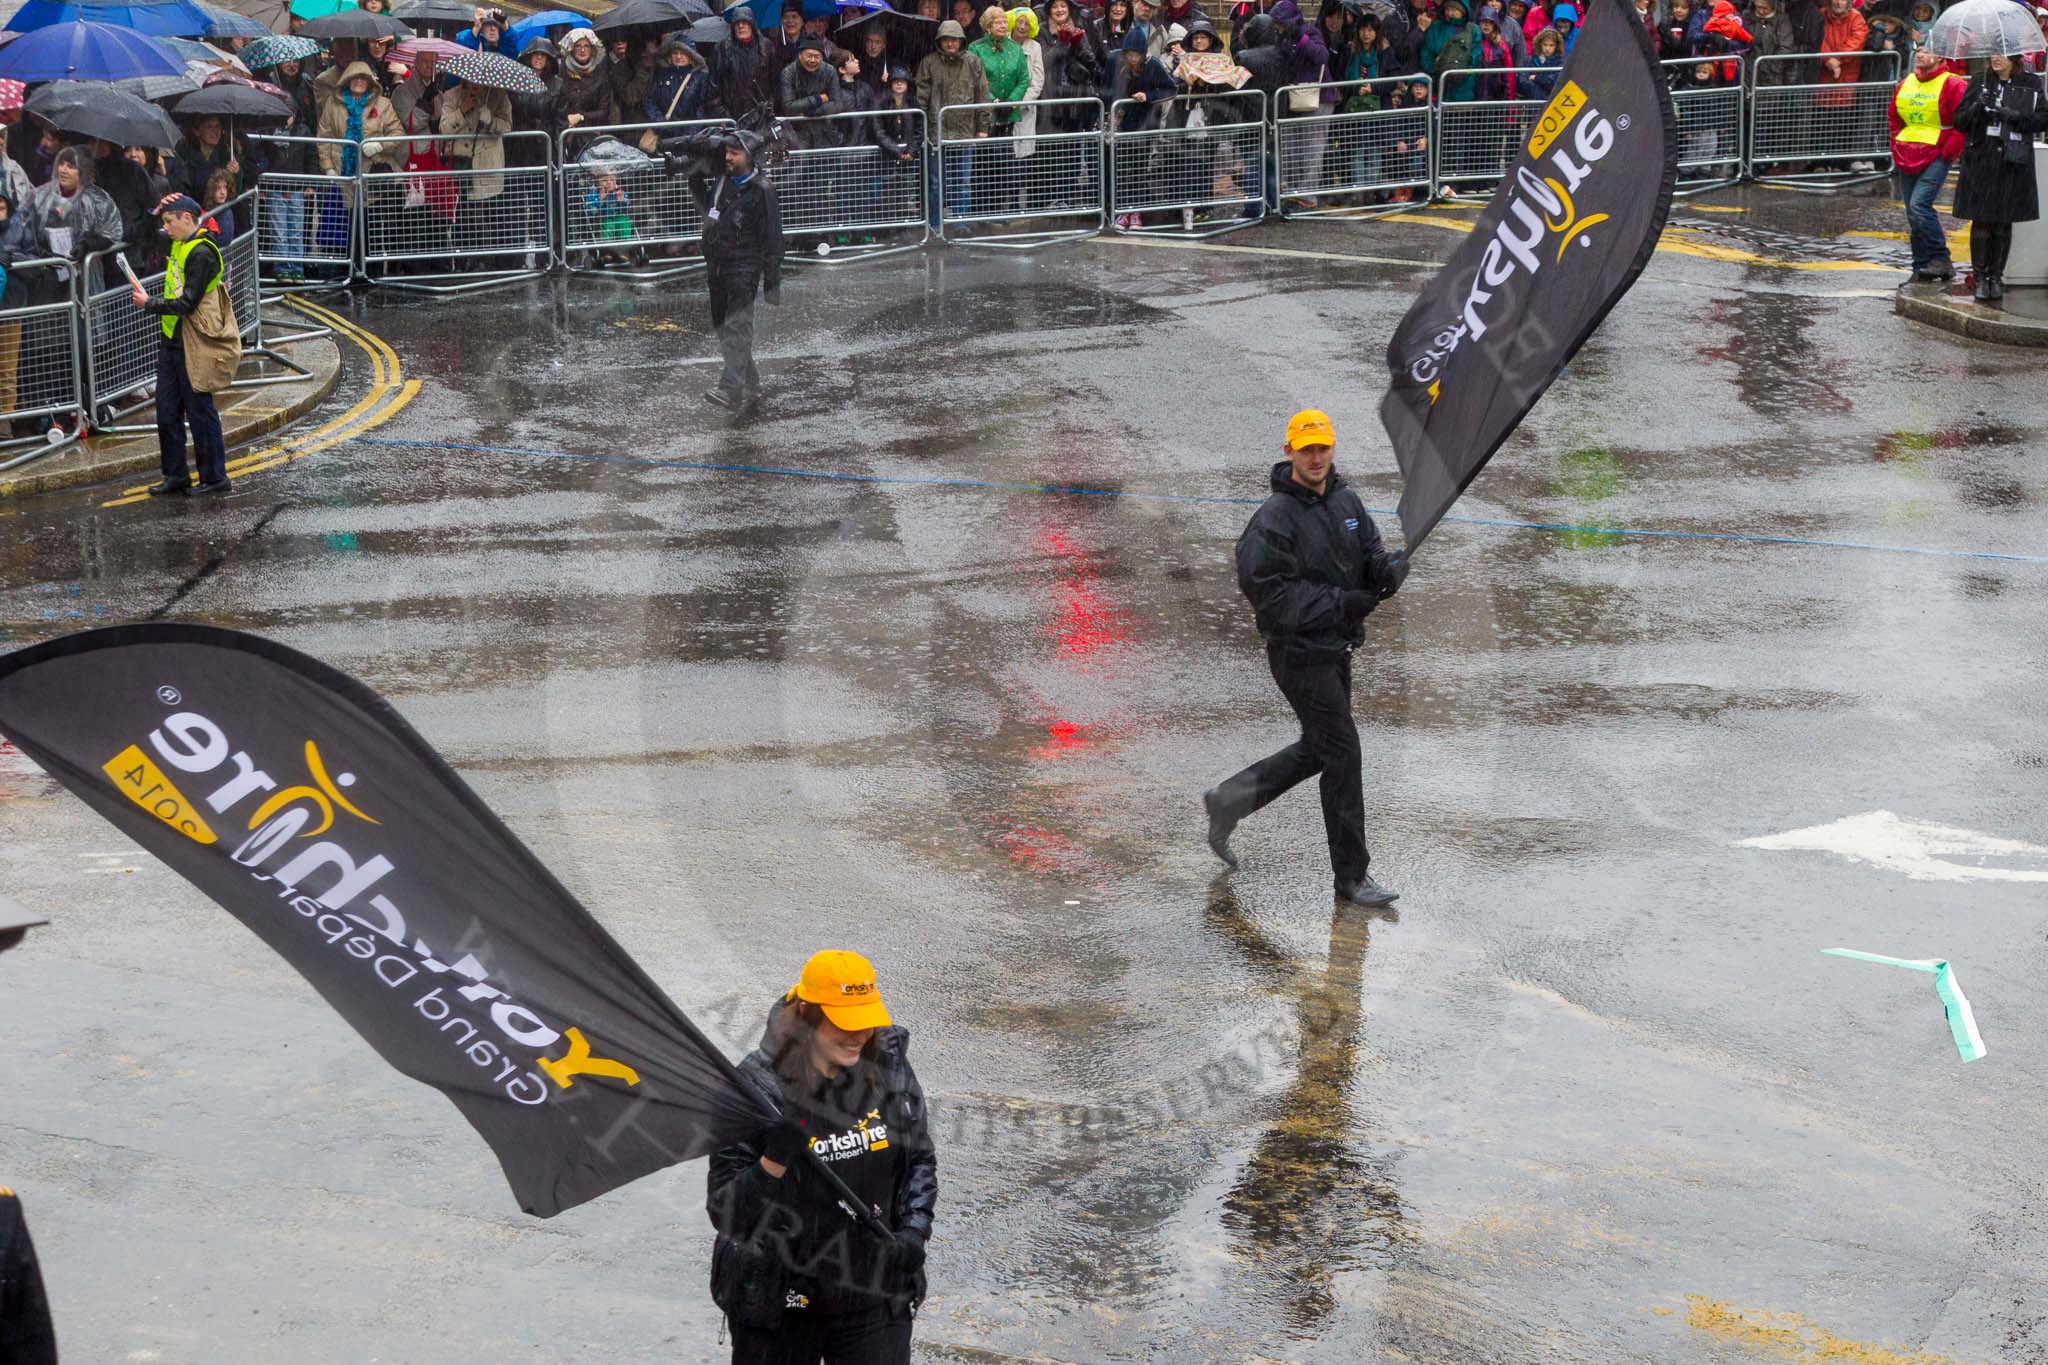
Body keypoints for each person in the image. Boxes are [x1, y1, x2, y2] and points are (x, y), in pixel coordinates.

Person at [1205, 409, 1409, 908]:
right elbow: (1271, 598)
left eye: (1323, 448)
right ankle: (1352, 878)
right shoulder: (1271, 522)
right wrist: (1342, 604)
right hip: (1297, 654)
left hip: (1336, 648)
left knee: (1321, 748)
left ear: (1332, 449)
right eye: (1306, 449)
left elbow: (1370, 555)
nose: (1316, 458)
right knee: (1343, 752)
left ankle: (1230, 799)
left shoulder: (1347, 502)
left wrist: (1387, 571)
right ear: (1289, 451)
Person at [707, 950, 936, 1364]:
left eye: (866, 1022)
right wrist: (772, 1163)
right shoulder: (755, 1088)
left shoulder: (889, 1066)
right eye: (845, 1024)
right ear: (809, 1016)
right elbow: (726, 1215)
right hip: (781, 1304)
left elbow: (919, 1160)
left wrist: (915, 1231)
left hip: (874, 1295)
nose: (858, 1035)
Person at [662, 127, 781, 411]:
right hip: (717, 265)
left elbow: (773, 237)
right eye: (727, 152)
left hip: (744, 266)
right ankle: (750, 382)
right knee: (723, 327)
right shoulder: (722, 181)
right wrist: (690, 170)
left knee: (737, 326)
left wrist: (772, 280)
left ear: (750, 157)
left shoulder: (762, 190)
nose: (728, 157)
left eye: (734, 153)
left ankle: (730, 390)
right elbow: (707, 208)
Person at [133, 194, 240, 499]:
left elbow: (188, 303)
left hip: (195, 341)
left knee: (199, 411)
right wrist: (155, 210)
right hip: (172, 341)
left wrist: (149, 304)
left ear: (187, 219)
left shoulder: (202, 252)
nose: (165, 227)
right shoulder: (179, 243)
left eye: (169, 220)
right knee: (166, 413)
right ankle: (176, 474)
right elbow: (140, 236)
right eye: (163, 221)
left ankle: (215, 477)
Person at [1953, 51, 2044, 303]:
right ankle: (1980, 277)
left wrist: (2014, 117)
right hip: (1982, 159)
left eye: (2002, 55)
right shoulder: (1980, 80)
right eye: (1993, 54)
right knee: (1981, 221)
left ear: (2014, 58)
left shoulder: (2031, 83)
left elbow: (2042, 119)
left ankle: (1996, 276)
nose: (1996, 59)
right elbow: (1959, 121)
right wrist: (1977, 107)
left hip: (2013, 161)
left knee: (2004, 222)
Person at [1888, 46, 1965, 282]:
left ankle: (1941, 259)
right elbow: (1894, 116)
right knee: (1913, 211)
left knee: (1920, 205)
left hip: (1936, 154)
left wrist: (1947, 152)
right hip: (1906, 151)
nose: (1920, 55)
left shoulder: (1953, 83)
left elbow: (1961, 121)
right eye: (1919, 50)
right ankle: (1921, 265)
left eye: (1928, 51)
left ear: (1941, 56)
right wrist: (1896, 143)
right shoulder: (1906, 82)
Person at [715, 6, 781, 128]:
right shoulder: (722, 48)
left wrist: (769, 107)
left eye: (745, 22)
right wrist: (721, 114)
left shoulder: (766, 47)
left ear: (752, 24)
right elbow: (714, 85)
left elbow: (776, 83)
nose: (741, 26)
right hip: (731, 117)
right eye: (737, 23)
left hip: (761, 115)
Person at [971, 4, 1030, 136]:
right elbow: (975, 79)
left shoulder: (1015, 48)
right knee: (986, 154)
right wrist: (994, 102)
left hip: (1010, 112)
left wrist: (1011, 101)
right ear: (988, 27)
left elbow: (1024, 78)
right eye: (998, 23)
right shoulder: (975, 48)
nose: (1003, 26)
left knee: (1006, 152)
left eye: (1005, 22)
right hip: (985, 114)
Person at [780, 37, 845, 150]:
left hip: (825, 131)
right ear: (800, 55)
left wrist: (812, 112)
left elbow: (838, 104)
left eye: (817, 56)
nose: (813, 60)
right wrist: (817, 99)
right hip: (797, 133)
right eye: (809, 56)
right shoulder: (788, 72)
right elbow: (788, 106)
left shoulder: (829, 71)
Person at [560, 27, 612, 129]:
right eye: (578, 46)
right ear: (571, 49)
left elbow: (604, 111)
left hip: (591, 130)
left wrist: (581, 117)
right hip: (564, 129)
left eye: (586, 46)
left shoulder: (601, 74)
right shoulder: (561, 71)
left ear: (592, 49)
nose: (582, 50)